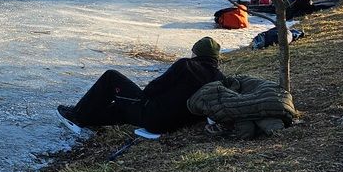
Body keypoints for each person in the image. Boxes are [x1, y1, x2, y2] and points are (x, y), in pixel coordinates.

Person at [57, 37, 226, 136]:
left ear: (196, 53)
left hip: (154, 118)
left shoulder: (186, 65)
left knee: (111, 77)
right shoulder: (219, 77)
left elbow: (153, 89)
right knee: (124, 108)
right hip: (173, 125)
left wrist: (146, 98)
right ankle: (87, 119)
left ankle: (77, 115)